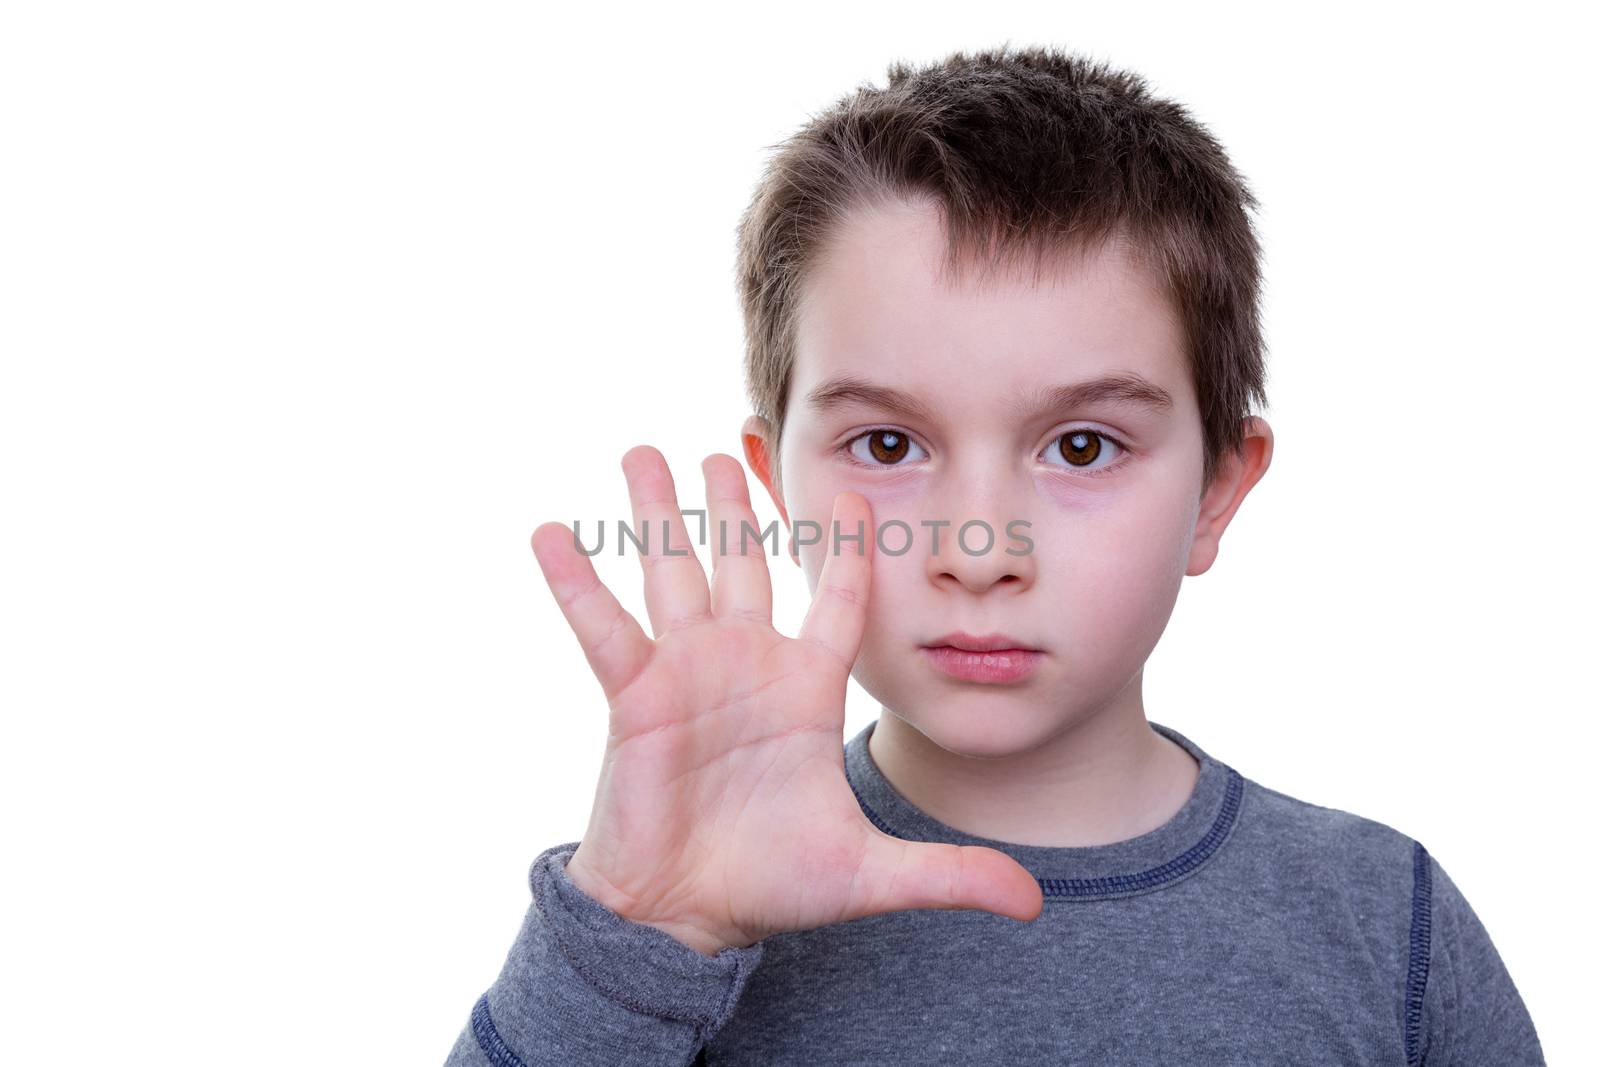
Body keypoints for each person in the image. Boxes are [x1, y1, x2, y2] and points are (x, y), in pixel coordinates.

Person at [442, 44, 1544, 1065]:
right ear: (778, 484)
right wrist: (638, 929)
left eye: (1079, 445)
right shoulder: (678, 904)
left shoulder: (1384, 924)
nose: (980, 549)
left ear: (1216, 489)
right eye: (886, 442)